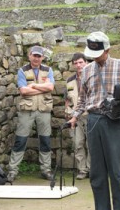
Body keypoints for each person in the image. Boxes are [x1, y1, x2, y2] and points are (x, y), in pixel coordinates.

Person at [69, 31, 120, 210]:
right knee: (98, 170)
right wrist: (75, 116)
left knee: (116, 169)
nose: (94, 57)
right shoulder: (87, 70)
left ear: (107, 50)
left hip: (113, 120)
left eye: (98, 52)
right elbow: (83, 99)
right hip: (93, 121)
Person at [7, 45, 55, 182]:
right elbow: (23, 91)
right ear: (29, 56)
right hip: (26, 110)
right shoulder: (22, 71)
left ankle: (46, 170)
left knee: (45, 140)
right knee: (20, 140)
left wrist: (33, 86)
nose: (36, 58)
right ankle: (12, 170)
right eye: (34, 55)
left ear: (43, 57)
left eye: (39, 56)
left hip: (43, 110)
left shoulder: (48, 70)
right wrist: (42, 89)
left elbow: (51, 87)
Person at [64, 53, 90, 180]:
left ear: (86, 62)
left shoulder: (92, 76)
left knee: (92, 145)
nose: (78, 65)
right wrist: (69, 115)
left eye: (80, 62)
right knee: (78, 143)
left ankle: (93, 169)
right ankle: (82, 170)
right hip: (76, 117)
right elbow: (67, 99)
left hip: (91, 115)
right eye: (75, 63)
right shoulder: (69, 80)